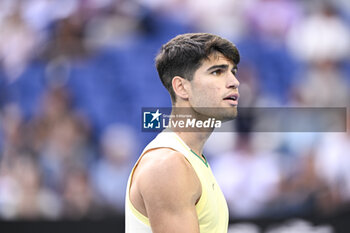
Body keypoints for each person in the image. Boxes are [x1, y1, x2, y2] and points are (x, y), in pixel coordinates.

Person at [125, 33, 240, 233]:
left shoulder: (189, 159)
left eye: (233, 71)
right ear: (181, 87)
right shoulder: (168, 164)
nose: (234, 82)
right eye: (217, 72)